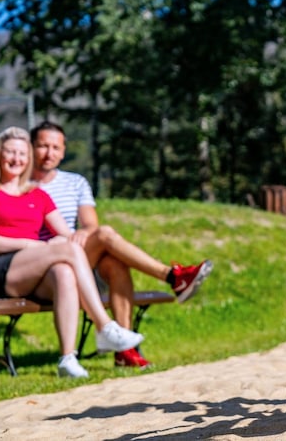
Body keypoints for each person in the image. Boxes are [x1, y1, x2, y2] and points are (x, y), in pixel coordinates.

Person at [29, 121, 214, 369]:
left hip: (76, 258)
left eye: (55, 147)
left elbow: (90, 224)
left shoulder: (76, 182)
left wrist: (84, 232)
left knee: (114, 263)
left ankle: (124, 352)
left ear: (63, 151)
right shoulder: (22, 185)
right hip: (42, 267)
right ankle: (172, 277)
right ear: (31, 147)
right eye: (43, 146)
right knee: (105, 235)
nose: (49, 153)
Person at [0, 127, 144, 378]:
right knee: (67, 252)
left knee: (63, 272)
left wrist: (62, 240)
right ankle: (104, 326)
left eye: (22, 154)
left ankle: (67, 360)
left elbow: (66, 235)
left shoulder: (37, 195)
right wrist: (28, 244)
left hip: (33, 272)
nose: (16, 159)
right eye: (10, 153)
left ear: (29, 159)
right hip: (0, 270)